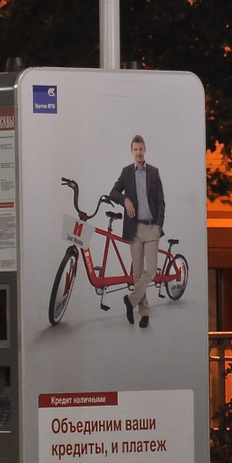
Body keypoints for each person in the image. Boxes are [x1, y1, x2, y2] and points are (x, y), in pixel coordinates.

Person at [105, 134, 166, 329]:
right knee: (138, 273)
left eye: (141, 149)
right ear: (132, 152)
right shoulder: (126, 172)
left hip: (152, 228)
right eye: (135, 150)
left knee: (151, 271)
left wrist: (159, 225)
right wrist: (125, 201)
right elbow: (113, 193)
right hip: (135, 228)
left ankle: (130, 300)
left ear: (145, 150)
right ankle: (144, 313)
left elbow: (160, 201)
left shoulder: (154, 172)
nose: (138, 153)